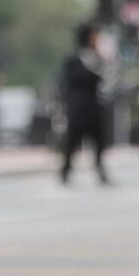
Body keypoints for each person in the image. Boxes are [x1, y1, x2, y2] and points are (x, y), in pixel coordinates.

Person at [55, 22, 112, 184]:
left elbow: (106, 80)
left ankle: (100, 170)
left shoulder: (100, 59)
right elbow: (70, 82)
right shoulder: (73, 61)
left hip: (95, 106)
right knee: (72, 141)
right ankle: (65, 171)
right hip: (78, 107)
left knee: (99, 141)